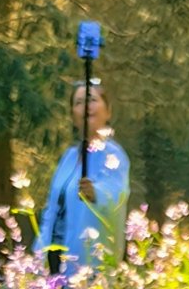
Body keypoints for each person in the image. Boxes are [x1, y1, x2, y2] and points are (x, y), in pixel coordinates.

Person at [37, 78, 129, 276]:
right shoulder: (69, 157)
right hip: (53, 263)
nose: (86, 107)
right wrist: (38, 252)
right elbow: (51, 209)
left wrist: (95, 193)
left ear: (108, 110)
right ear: (72, 115)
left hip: (90, 266)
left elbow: (116, 191)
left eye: (92, 100)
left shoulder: (113, 154)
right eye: (79, 103)